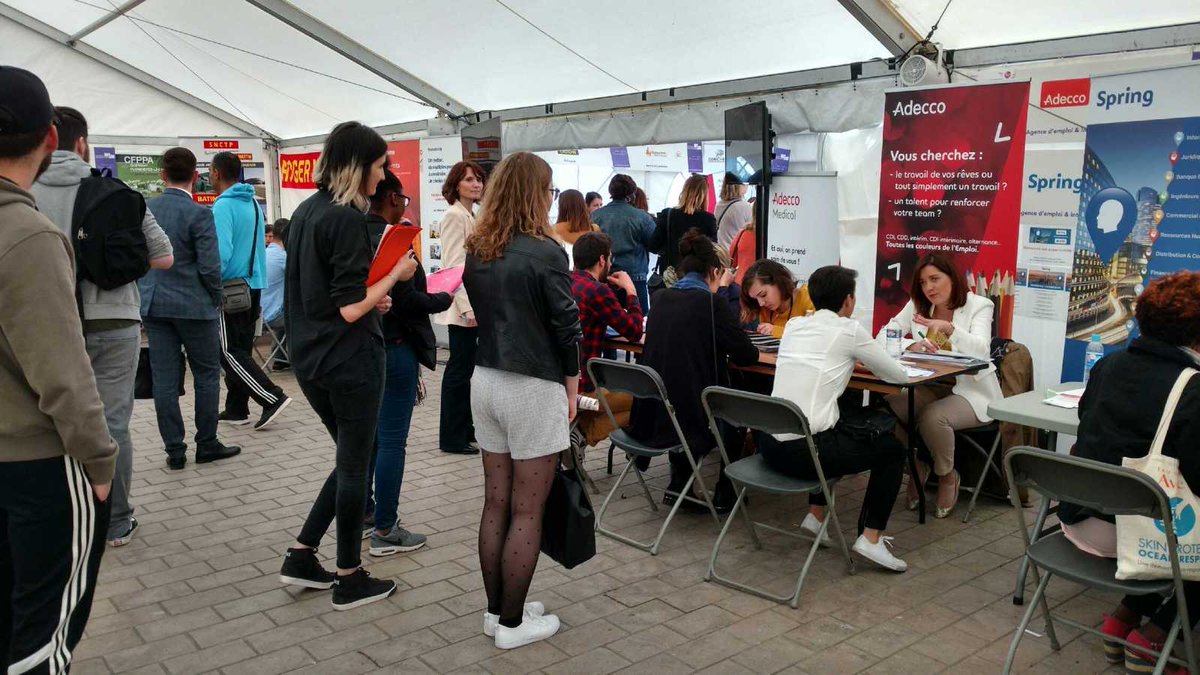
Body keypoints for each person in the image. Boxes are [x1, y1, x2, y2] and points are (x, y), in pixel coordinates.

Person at [0, 65, 117, 674]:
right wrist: (100, 464)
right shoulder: (27, 235)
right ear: (52, 136)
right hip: (39, 466)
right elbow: (65, 378)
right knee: (44, 633)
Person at [276, 121, 418, 610]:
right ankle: (349, 575)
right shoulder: (348, 219)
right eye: (380, 167)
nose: (383, 178)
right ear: (359, 166)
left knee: (350, 459)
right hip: (349, 359)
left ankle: (302, 555)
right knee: (358, 464)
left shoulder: (308, 212)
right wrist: (396, 275)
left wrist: (373, 297)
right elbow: (350, 308)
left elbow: (338, 294)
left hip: (311, 356)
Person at [31, 105, 174, 548]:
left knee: (50, 423)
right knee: (114, 422)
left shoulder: (23, 194)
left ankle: (63, 517)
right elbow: (163, 256)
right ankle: (115, 521)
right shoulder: (116, 191)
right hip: (115, 321)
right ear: (81, 143)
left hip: (50, 324)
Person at [462, 152, 582, 649]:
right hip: (533, 385)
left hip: (485, 379)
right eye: (549, 191)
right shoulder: (547, 251)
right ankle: (512, 625)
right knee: (528, 510)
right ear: (537, 193)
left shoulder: (478, 246)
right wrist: (573, 388)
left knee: (496, 502)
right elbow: (566, 328)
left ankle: (498, 612)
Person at [1059, 272, 1200, 672]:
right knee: (1181, 526)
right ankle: (1153, 638)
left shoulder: (1108, 365)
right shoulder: (1192, 389)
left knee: (1156, 512)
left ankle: (1121, 620)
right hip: (1133, 536)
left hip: (1079, 518)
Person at [761, 265, 911, 571]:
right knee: (892, 450)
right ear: (848, 301)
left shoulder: (794, 326)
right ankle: (871, 538)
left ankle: (816, 517)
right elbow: (896, 377)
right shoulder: (848, 329)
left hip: (770, 446)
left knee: (832, 420)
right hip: (804, 455)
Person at [629, 230, 757, 509]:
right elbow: (746, 354)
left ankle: (679, 486)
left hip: (653, 415)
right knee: (734, 412)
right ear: (714, 271)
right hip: (693, 418)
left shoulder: (660, 299)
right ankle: (726, 492)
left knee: (687, 393)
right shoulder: (713, 304)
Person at [876, 252, 1003, 519]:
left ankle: (947, 475)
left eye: (935, 279)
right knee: (890, 407)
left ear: (952, 278)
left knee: (933, 418)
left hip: (972, 389)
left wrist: (950, 329)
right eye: (923, 282)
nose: (929, 288)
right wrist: (913, 344)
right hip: (928, 383)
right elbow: (883, 336)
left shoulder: (979, 304)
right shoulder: (917, 304)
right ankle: (917, 464)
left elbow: (982, 351)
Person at [365, 169, 451, 557]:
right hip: (395, 347)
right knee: (391, 441)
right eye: (402, 199)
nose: (404, 206)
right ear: (389, 199)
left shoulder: (351, 233)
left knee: (368, 439)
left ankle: (367, 511)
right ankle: (385, 527)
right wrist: (442, 299)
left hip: (362, 348)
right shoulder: (395, 238)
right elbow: (405, 298)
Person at [140, 147, 241, 471]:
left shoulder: (147, 210)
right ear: (196, 177)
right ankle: (206, 443)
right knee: (207, 375)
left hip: (156, 305)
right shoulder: (200, 214)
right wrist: (214, 298)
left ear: (162, 175)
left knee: (165, 380)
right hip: (195, 305)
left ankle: (174, 450)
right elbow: (210, 267)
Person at [211, 151, 290, 430]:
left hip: (231, 287)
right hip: (253, 285)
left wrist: (211, 280)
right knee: (241, 348)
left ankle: (272, 397)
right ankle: (236, 407)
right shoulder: (253, 204)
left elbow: (221, 252)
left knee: (228, 351)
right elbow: (257, 247)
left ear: (217, 173)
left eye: (210, 171)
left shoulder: (222, 206)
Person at [570, 231, 643, 447]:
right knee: (644, 403)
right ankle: (583, 434)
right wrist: (630, 290)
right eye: (610, 258)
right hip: (583, 387)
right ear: (602, 259)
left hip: (559, 381)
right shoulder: (597, 291)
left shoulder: (563, 281)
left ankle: (578, 432)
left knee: (613, 402)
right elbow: (634, 331)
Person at [434, 160, 486, 455]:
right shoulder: (455, 216)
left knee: (466, 370)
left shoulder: (471, 214)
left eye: (478, 179)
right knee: (458, 370)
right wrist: (467, 308)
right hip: (463, 306)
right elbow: (455, 266)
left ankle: (464, 428)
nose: (476, 184)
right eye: (468, 180)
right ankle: (451, 436)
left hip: (472, 302)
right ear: (456, 185)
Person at [592, 174, 656, 310]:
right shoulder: (642, 218)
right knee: (638, 323)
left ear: (611, 192)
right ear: (632, 194)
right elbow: (655, 244)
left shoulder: (595, 216)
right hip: (635, 279)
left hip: (604, 278)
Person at [649, 174, 718, 284]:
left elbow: (653, 245)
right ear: (704, 195)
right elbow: (713, 250)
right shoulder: (708, 219)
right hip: (697, 277)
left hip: (670, 276)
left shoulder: (668, 215)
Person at [740, 259, 814, 338]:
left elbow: (815, 336)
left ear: (779, 282)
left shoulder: (809, 297)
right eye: (755, 299)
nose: (761, 303)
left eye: (763, 295)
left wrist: (775, 331)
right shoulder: (764, 308)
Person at [263, 218, 289, 370]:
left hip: (259, 316)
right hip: (273, 316)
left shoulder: (263, 254)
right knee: (302, 314)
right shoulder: (283, 258)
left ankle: (280, 358)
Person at [715, 172, 752, 249]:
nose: (747, 185)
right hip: (735, 254)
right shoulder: (745, 207)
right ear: (738, 185)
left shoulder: (718, 205)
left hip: (722, 254)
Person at [728, 207, 756, 285]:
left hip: (740, 283)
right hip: (760, 286)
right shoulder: (772, 239)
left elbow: (732, 260)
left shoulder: (743, 233)